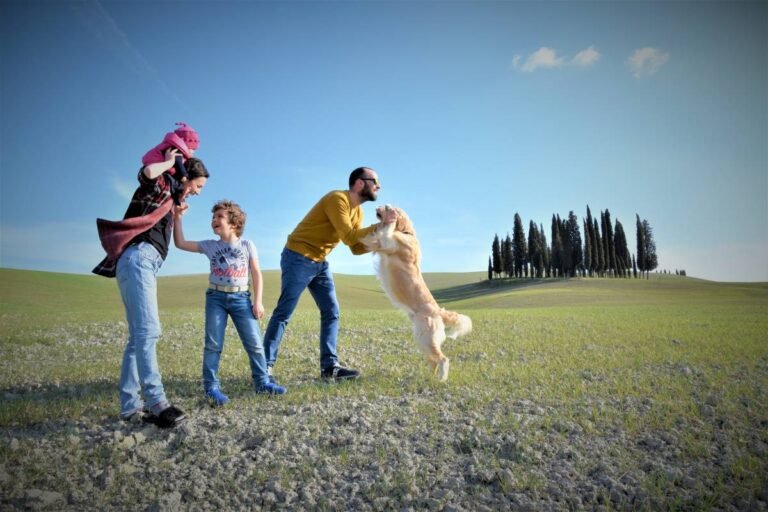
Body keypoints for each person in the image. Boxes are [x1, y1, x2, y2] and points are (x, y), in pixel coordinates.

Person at [93, 148, 210, 429]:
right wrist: (171, 163)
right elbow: (146, 174)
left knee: (137, 339)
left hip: (138, 263)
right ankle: (158, 404)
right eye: (198, 185)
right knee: (149, 331)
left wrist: (178, 209)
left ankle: (130, 409)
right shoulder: (160, 185)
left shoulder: (170, 200)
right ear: (186, 176)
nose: (198, 191)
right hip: (139, 259)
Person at [263, 167, 397, 382]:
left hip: (320, 262)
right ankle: (264, 367)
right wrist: (381, 224)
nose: (378, 186)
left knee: (331, 311)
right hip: (298, 256)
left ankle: (329, 368)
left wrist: (382, 238)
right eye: (375, 181)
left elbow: (355, 247)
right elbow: (349, 236)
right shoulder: (338, 199)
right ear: (360, 183)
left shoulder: (358, 211)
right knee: (284, 312)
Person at [173, 199, 287, 405]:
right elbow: (180, 243)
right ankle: (211, 388)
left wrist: (258, 302)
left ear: (233, 223)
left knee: (254, 344)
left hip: (242, 298)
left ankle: (262, 383)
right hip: (215, 298)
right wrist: (177, 217)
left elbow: (256, 274)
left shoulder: (247, 245)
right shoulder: (209, 246)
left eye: (219, 217)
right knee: (213, 344)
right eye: (213, 217)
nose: (214, 220)